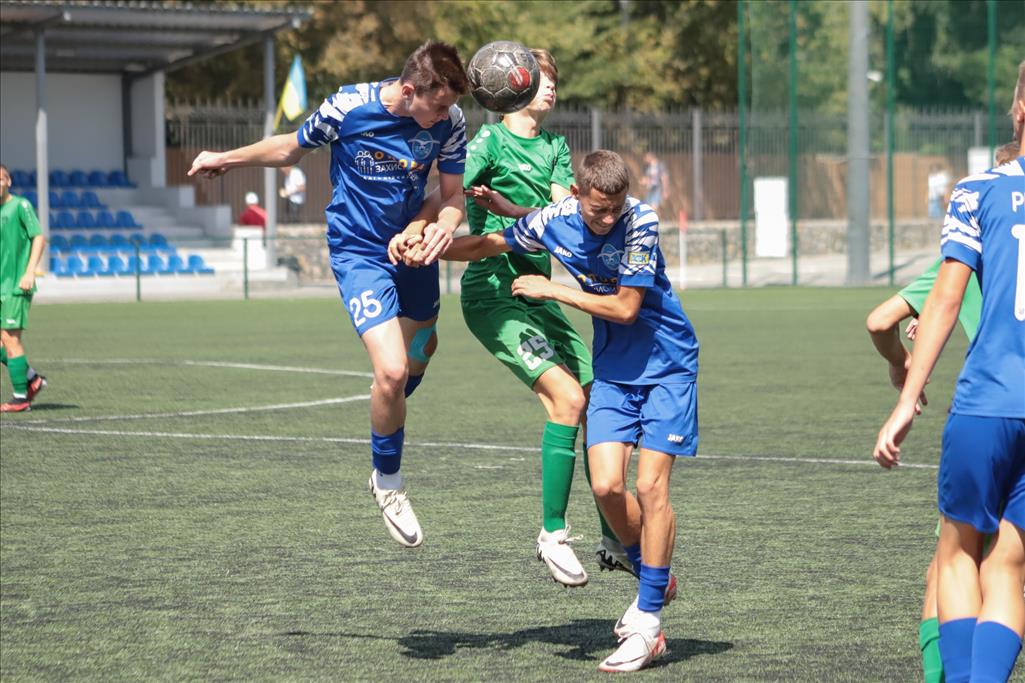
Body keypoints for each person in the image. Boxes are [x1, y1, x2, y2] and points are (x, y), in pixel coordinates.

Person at [404, 150, 698, 672]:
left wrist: (551, 288)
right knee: (607, 487)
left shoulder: (641, 222)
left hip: (667, 366)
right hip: (614, 372)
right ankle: (654, 573)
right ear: (578, 196)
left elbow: (627, 308)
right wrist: (429, 246)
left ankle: (648, 619)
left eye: (616, 207)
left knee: (651, 488)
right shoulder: (556, 219)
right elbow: (490, 243)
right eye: (598, 210)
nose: (609, 218)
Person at [189, 40, 470, 549]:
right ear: (409, 91)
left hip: (413, 249)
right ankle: (387, 481)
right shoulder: (348, 107)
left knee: (419, 356)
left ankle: (385, 408)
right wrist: (227, 158)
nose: (445, 115)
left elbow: (452, 196)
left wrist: (435, 227)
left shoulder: (451, 122)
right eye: (438, 105)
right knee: (390, 371)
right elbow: (290, 148)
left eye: (450, 105)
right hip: (359, 252)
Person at [450, 49, 630, 586]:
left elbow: (562, 209)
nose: (550, 88)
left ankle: (612, 539)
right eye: (543, 79)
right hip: (494, 291)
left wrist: (524, 209)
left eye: (555, 81)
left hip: (542, 293)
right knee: (568, 398)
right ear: (513, 86)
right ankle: (552, 535)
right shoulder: (486, 143)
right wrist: (431, 228)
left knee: (599, 397)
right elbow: (451, 199)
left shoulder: (554, 146)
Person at [874, 62, 1025, 683]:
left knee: (958, 554)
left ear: (1018, 110)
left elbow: (942, 299)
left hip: (988, 401)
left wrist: (907, 398)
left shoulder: (978, 191)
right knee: (1011, 567)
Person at [0, 163, 48, 413]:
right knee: (3, 341)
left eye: (0, 179)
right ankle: (32, 378)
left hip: (16, 285)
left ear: (8, 181)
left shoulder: (20, 205)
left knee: (10, 338)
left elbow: (39, 237)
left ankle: (20, 397)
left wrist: (30, 271)